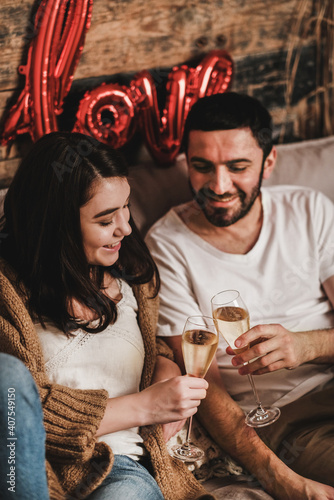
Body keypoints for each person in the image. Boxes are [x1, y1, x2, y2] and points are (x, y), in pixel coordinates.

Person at [0, 131, 213, 500]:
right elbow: (17, 413)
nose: (125, 228)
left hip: (119, 466)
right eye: (104, 220)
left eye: (126, 207)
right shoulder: (8, 293)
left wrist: (167, 370)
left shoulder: (132, 274)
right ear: (56, 224)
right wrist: (144, 407)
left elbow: (153, 350)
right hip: (31, 470)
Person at [145, 92, 334, 500]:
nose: (219, 186)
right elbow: (205, 385)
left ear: (268, 161)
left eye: (238, 166)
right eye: (202, 167)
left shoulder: (310, 209)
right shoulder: (166, 244)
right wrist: (280, 480)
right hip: (289, 416)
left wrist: (306, 344)